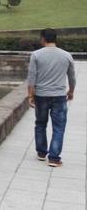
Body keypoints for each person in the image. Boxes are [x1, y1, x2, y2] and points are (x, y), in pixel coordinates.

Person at [27, 28, 76, 167]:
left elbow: (31, 77)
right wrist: (71, 91)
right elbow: (71, 77)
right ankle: (54, 158)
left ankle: (42, 153)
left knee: (40, 124)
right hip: (59, 96)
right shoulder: (66, 55)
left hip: (41, 95)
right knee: (59, 127)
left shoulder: (36, 55)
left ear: (43, 38)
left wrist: (30, 95)